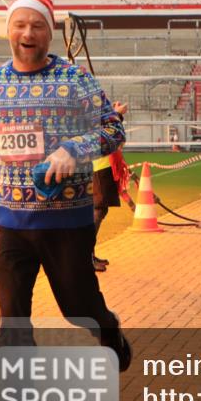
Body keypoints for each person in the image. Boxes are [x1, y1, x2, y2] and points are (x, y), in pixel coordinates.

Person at [0, 0, 133, 401]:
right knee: (12, 319)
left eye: (37, 25)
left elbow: (113, 129)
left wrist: (73, 149)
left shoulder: (75, 80)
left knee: (80, 309)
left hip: (66, 223)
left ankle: (108, 330)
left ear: (49, 31)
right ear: (8, 29)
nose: (27, 33)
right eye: (19, 24)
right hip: (11, 222)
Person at [92, 100, 129, 272]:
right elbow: (105, 132)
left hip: (103, 165)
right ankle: (85, 256)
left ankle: (88, 254)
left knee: (100, 210)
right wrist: (118, 114)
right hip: (98, 166)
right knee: (97, 211)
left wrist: (114, 113)